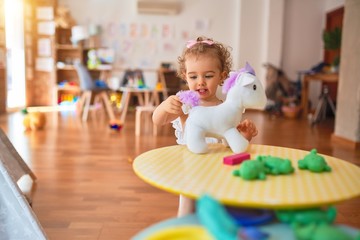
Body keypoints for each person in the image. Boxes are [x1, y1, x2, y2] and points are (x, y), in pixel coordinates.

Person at [152, 36, 259, 217]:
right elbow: (158, 120)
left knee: (220, 207)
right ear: (185, 76)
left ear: (222, 77)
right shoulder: (185, 106)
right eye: (193, 76)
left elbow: (232, 142)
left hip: (219, 168)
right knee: (187, 205)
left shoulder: (226, 109)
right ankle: (185, 229)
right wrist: (164, 107)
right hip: (190, 168)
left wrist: (244, 135)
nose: (200, 81)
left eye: (208, 76)